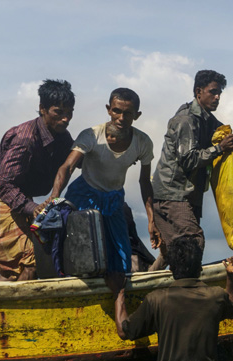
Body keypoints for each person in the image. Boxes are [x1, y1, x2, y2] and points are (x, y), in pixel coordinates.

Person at [110, 236, 233, 361]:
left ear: (171, 268)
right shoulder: (215, 295)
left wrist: (118, 293)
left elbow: (124, 331)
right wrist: (230, 277)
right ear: (199, 266)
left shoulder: (157, 300)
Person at [50, 88, 155, 278]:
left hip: (114, 199)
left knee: (121, 258)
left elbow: (144, 181)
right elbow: (67, 167)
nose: (121, 118)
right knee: (80, 251)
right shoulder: (91, 135)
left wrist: (151, 219)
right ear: (108, 109)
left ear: (136, 115)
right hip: (84, 196)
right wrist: (53, 197)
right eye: (116, 111)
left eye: (128, 113)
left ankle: (117, 296)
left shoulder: (142, 142)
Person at [0, 79, 75, 281]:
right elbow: (5, 185)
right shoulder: (25, 140)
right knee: (29, 261)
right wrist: (32, 208)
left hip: (23, 196)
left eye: (70, 113)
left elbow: (75, 159)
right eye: (59, 112)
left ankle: (0, 307)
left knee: (40, 259)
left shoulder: (62, 136)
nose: (66, 119)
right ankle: (7, 310)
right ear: (42, 109)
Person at [150, 70, 233, 261]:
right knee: (193, 241)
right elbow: (188, 159)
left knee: (172, 250)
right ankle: (190, 286)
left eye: (219, 94)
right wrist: (219, 148)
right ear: (199, 91)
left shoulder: (208, 120)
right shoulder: (186, 120)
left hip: (189, 194)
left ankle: (151, 281)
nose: (217, 98)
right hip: (173, 193)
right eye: (213, 92)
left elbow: (219, 133)